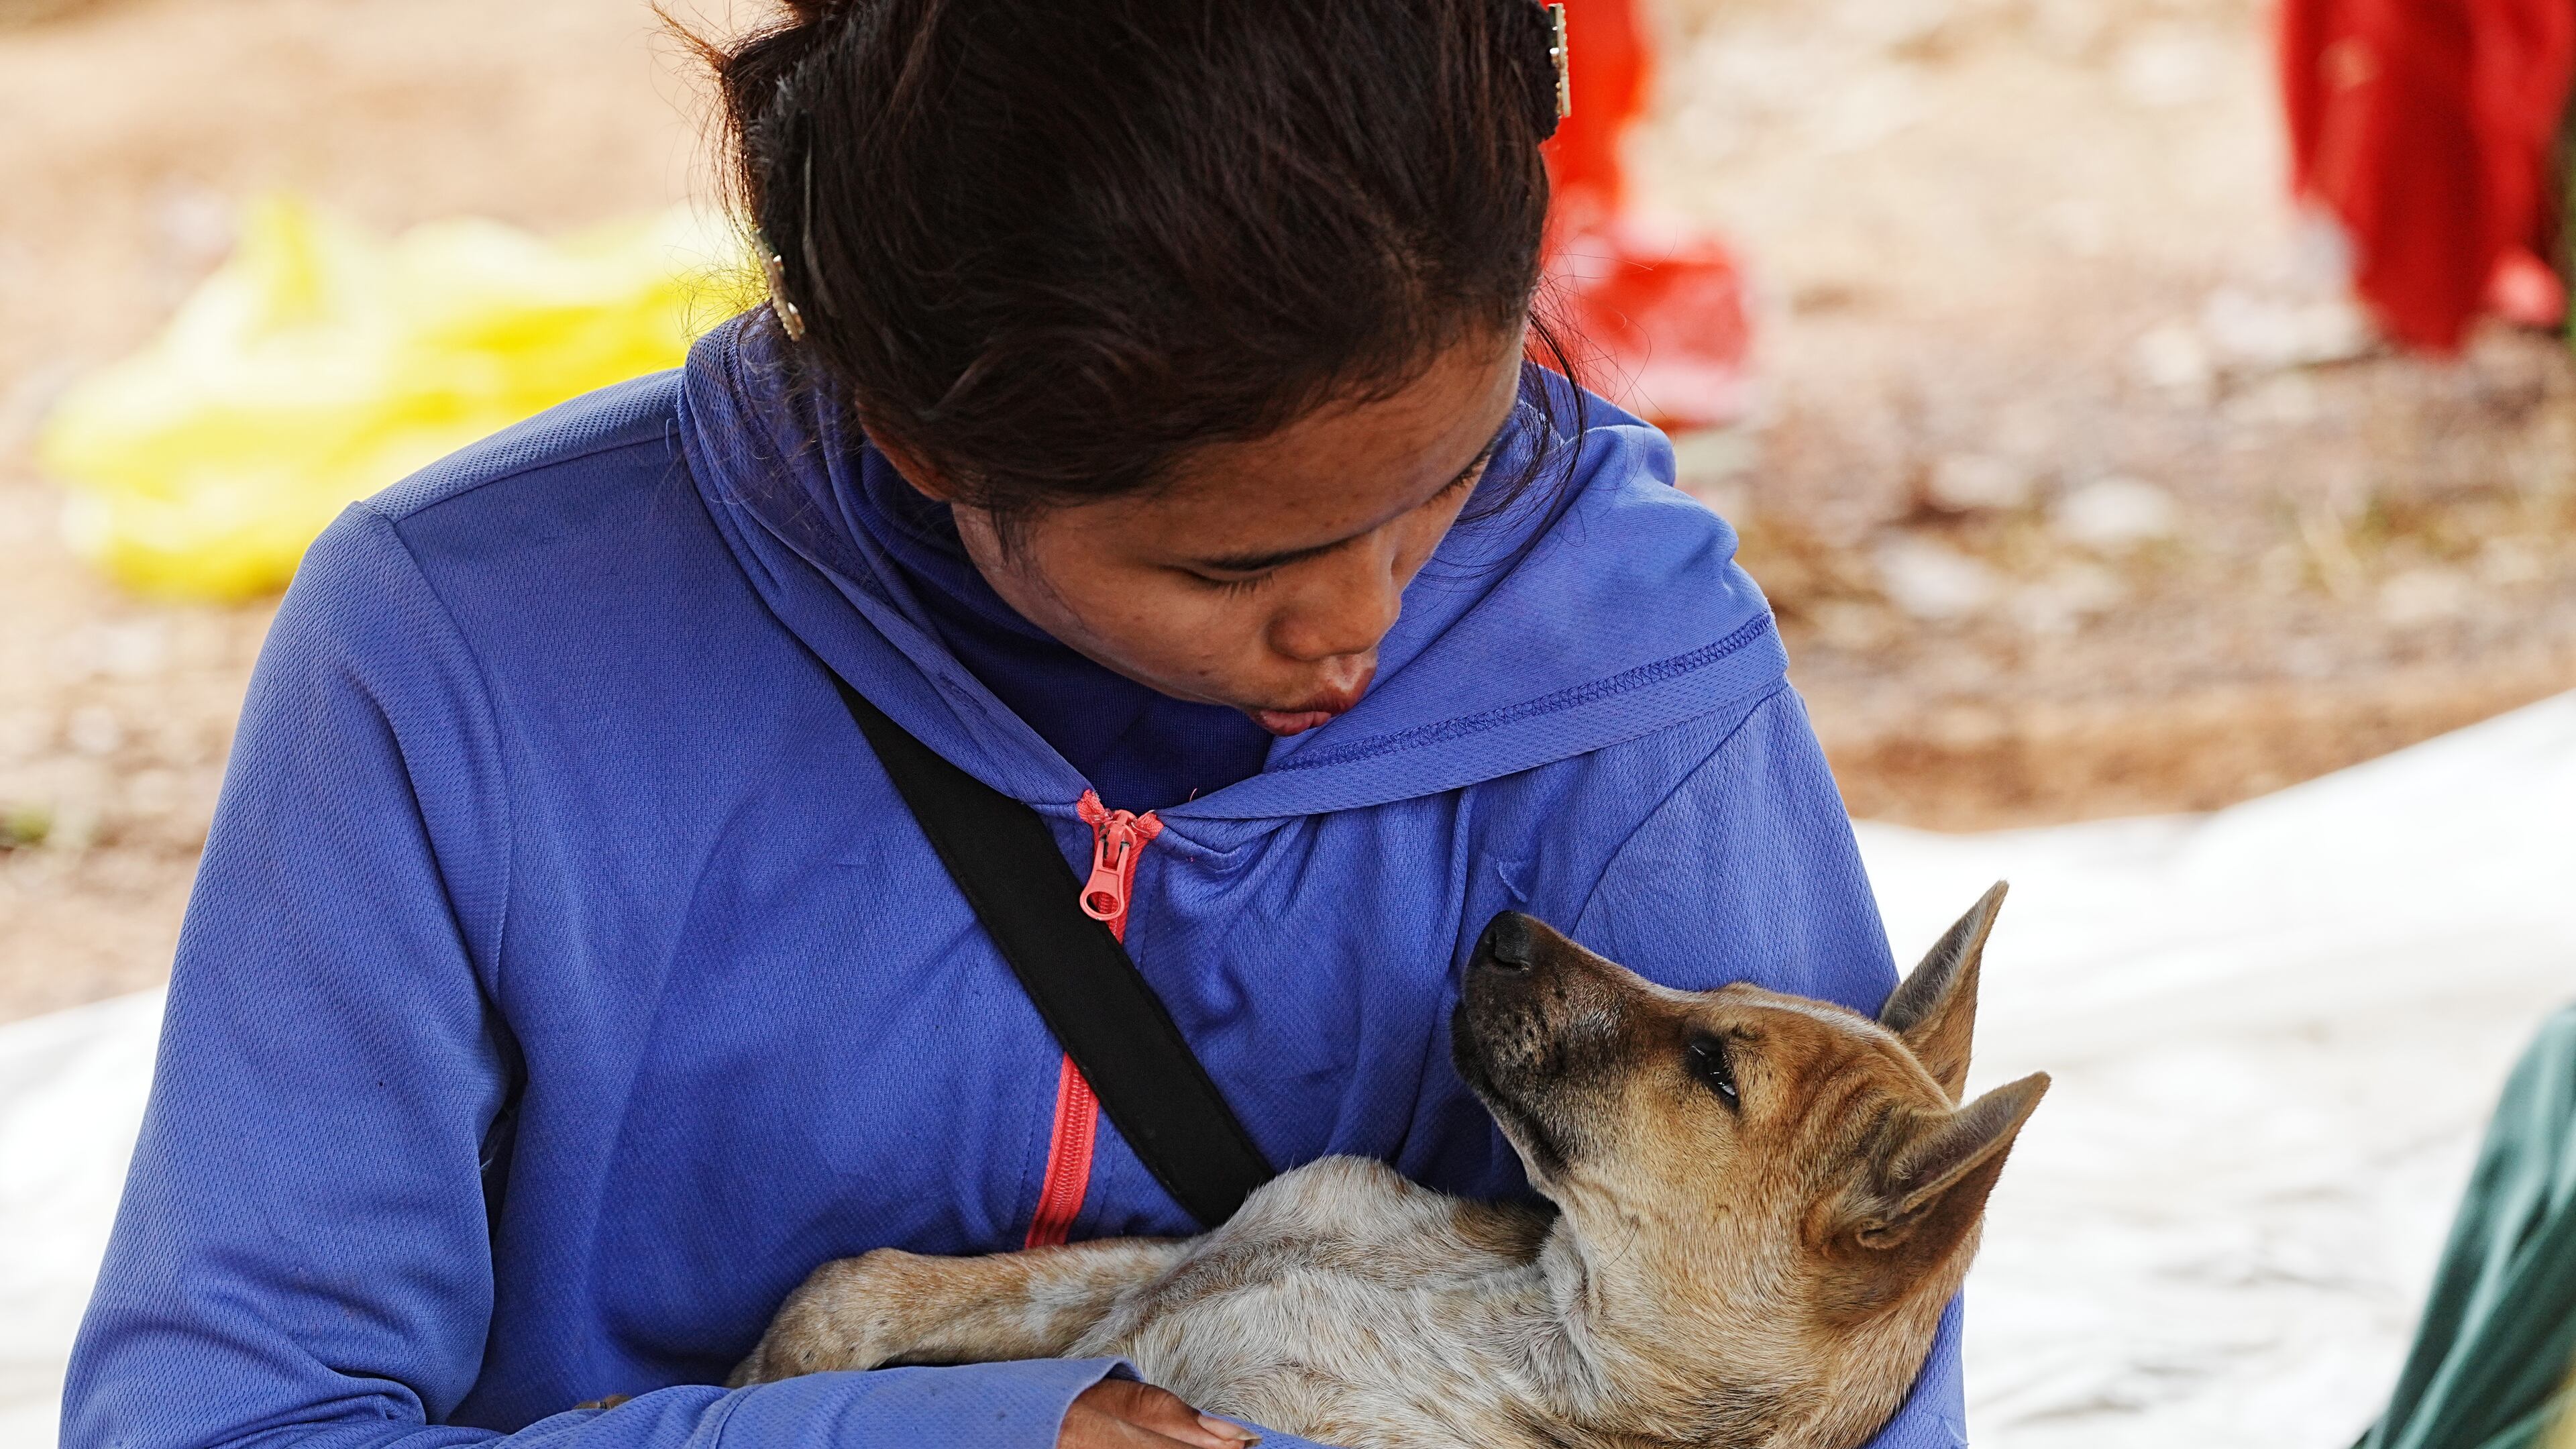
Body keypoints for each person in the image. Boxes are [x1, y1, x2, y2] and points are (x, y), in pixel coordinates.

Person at [62, 2, 1964, 1446]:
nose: (1372, 625)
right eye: (1238, 573)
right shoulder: (465, 652)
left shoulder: (1617, 662)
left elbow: (1830, 1377)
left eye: (1451, 482)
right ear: (926, 438)